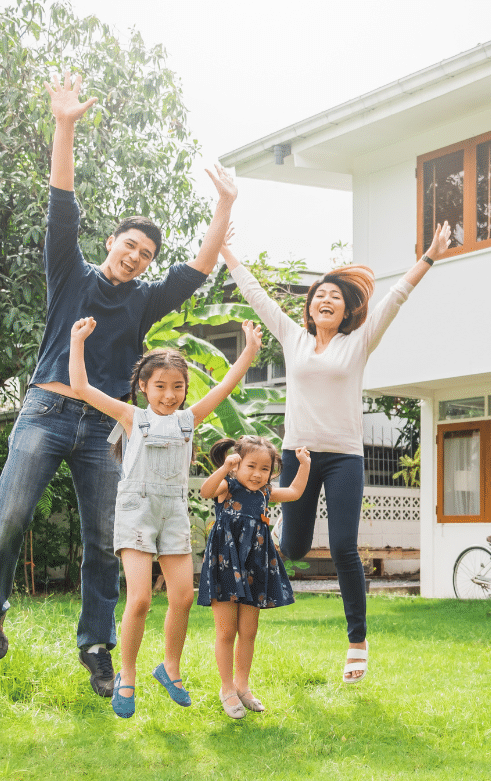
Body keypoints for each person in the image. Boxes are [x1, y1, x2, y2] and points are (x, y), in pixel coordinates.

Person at [0, 70, 236, 698]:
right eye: (129, 246)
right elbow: (61, 199)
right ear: (111, 242)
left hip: (107, 427)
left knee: (108, 541)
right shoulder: (69, 273)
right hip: (48, 408)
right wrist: (65, 124)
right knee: (9, 514)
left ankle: (97, 646)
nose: (135, 258)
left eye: (145, 255)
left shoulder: (144, 303)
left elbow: (202, 265)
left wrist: (225, 206)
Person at [220, 220, 451, 683]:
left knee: (344, 546)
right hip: (297, 455)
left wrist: (428, 256)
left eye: (335, 298)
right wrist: (226, 252)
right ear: (309, 308)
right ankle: (256, 572)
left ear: (345, 312)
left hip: (345, 456)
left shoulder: (359, 343)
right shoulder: (293, 338)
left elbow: (395, 300)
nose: (325, 300)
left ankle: (357, 641)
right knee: (294, 546)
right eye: (318, 295)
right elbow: (259, 298)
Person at [69, 316, 263, 718]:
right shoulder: (131, 416)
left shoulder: (188, 420)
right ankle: (126, 674)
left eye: (178, 387)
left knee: (183, 597)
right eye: (160, 386)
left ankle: (169, 667)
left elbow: (227, 385)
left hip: (173, 511)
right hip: (137, 510)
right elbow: (81, 388)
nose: (170, 395)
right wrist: (78, 341)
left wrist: (249, 349)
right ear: (143, 387)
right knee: (139, 599)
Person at [197, 436, 311, 718]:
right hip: (226, 561)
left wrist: (305, 464)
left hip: (255, 563)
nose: (258, 474)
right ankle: (226, 688)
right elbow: (204, 490)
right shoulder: (229, 485)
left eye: (265, 469)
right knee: (226, 631)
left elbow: (296, 491)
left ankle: (243, 686)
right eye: (251, 466)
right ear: (237, 465)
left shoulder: (265, 492)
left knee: (249, 630)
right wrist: (225, 468)